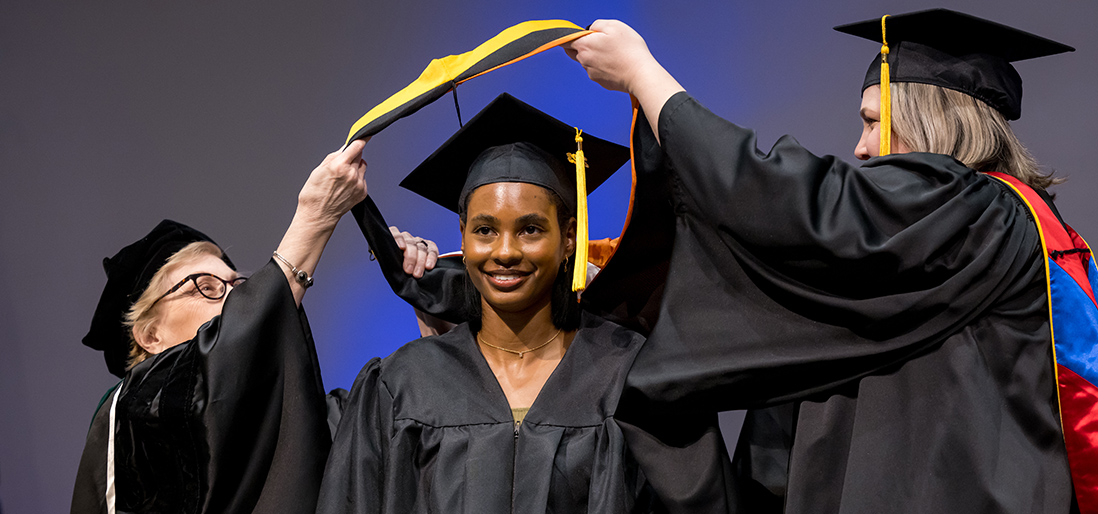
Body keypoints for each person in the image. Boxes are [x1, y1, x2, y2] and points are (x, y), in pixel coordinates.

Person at [563, 9, 1098, 514]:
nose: (861, 146)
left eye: (873, 121)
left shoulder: (974, 213)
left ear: (929, 119)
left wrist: (644, 76)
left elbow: (795, 208)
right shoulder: (1002, 231)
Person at [316, 93, 659, 513]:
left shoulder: (626, 373)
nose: (506, 251)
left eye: (531, 229)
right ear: (462, 235)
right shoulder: (404, 382)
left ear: (569, 237)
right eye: (484, 230)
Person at [70, 140, 385, 514]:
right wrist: (314, 220)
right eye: (205, 287)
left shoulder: (309, 420)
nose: (235, 300)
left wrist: (433, 317)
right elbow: (213, 374)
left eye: (238, 287)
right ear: (149, 335)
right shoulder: (134, 415)